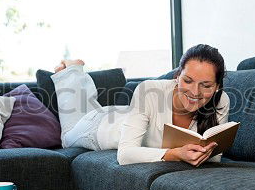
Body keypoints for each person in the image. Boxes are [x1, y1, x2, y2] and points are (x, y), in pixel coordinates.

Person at [50, 44, 229, 166]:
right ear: (177, 76)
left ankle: (75, 74)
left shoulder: (221, 101)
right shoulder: (149, 90)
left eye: (205, 85)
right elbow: (125, 154)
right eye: (188, 81)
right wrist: (175, 154)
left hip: (129, 116)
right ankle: (71, 71)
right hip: (102, 127)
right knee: (67, 137)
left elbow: (215, 157)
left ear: (217, 86)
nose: (195, 92)